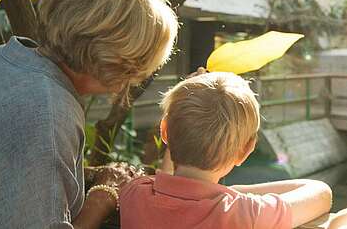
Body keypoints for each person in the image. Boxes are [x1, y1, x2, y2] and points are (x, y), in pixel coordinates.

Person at [0, 0, 178, 229]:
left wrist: (84, 175)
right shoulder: (50, 111)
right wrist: (103, 196)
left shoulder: (0, 59)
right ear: (120, 59)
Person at [120, 72, 332, 229]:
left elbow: (165, 182)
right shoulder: (245, 214)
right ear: (246, 150)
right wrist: (235, 191)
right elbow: (320, 192)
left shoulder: (135, 193)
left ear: (164, 131)